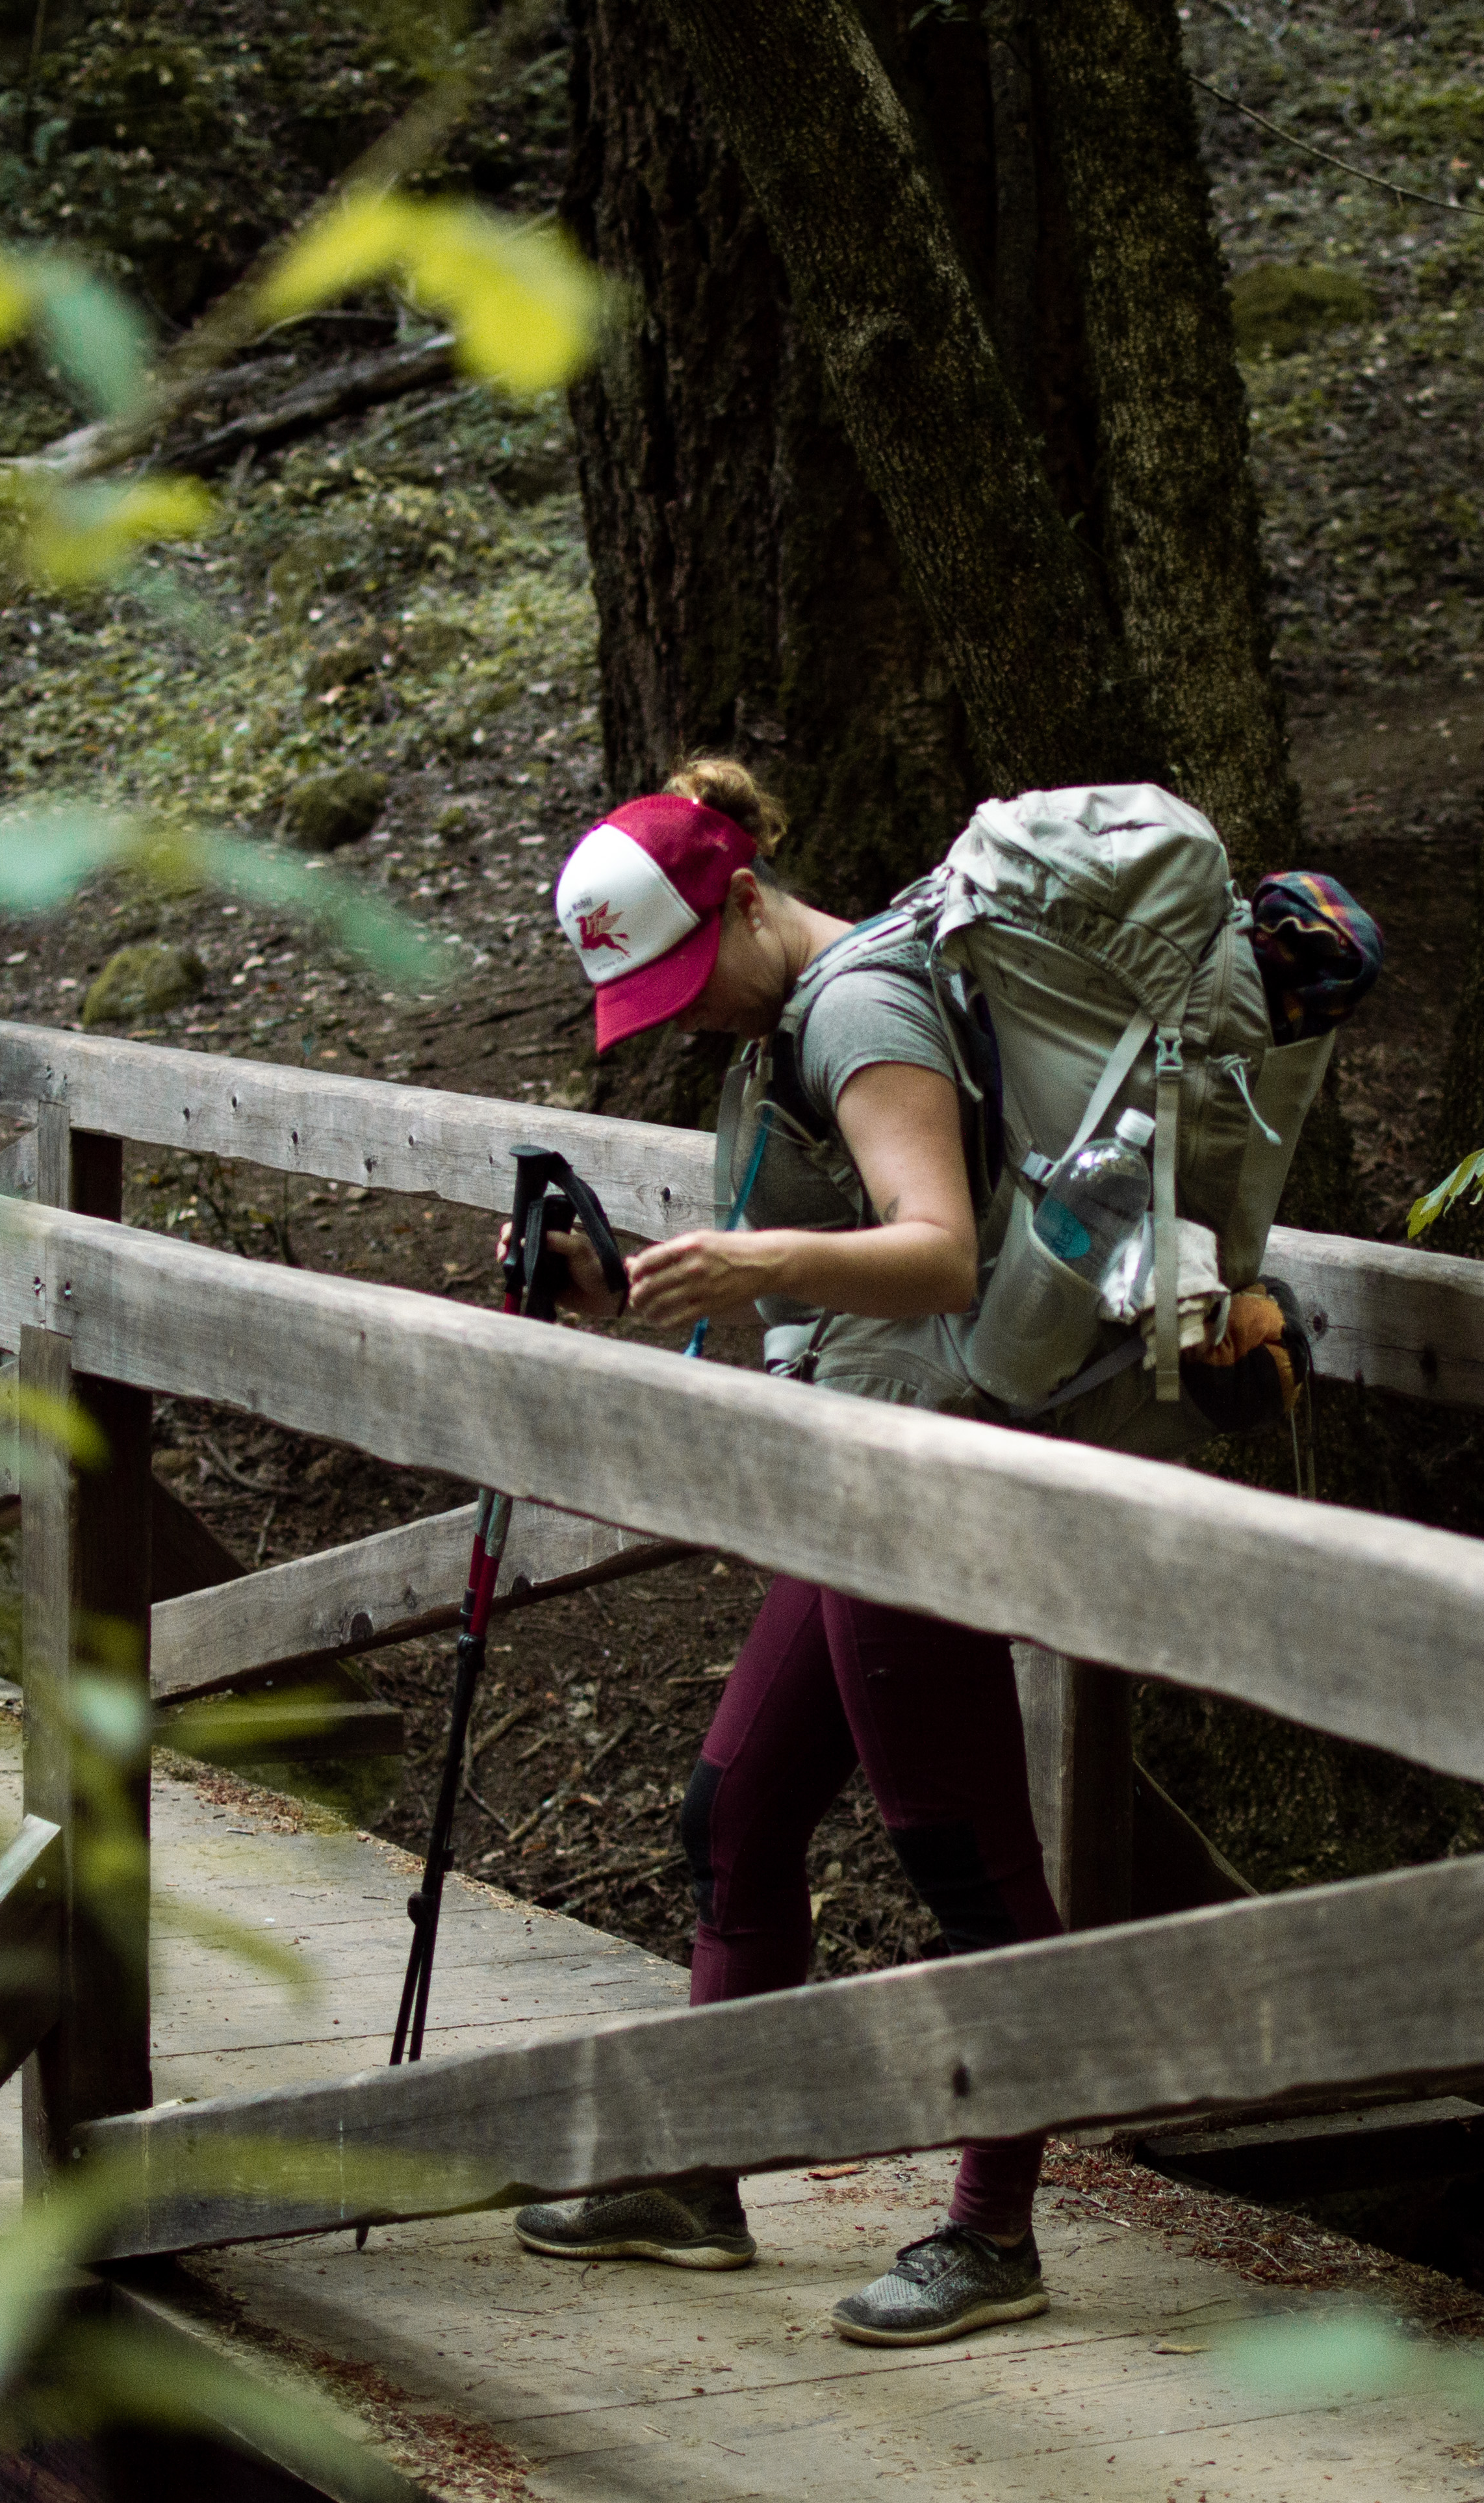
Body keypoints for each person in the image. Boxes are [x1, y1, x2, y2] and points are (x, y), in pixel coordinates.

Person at [505, 759, 1063, 2348]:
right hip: (848, 1466)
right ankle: (694, 2170)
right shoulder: (776, 1027)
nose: (683, 1014)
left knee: (961, 1852)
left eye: (691, 974)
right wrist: (607, 1279)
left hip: (921, 1472)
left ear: (743, 894)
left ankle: (994, 2234)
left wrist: (745, 1256)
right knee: (732, 1814)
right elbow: (811, 1281)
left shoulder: (859, 1011)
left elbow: (935, 1251)